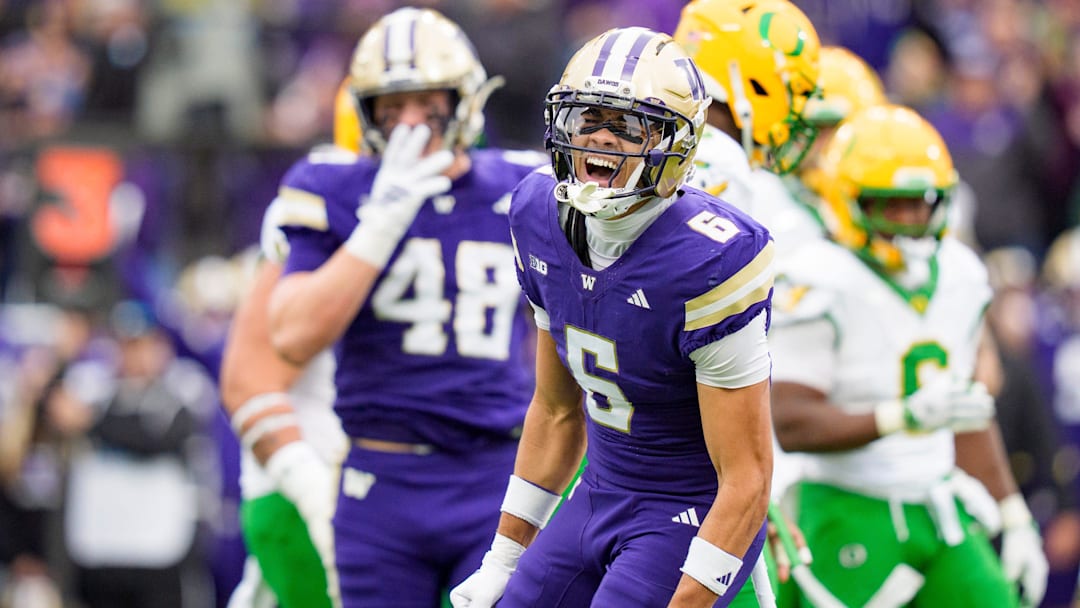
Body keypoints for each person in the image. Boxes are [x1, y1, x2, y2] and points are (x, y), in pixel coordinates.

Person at [451, 26, 775, 608]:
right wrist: (503, 558)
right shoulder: (536, 214)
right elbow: (554, 411)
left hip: (687, 510)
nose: (600, 139)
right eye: (587, 119)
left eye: (627, 126)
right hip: (598, 491)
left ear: (678, 143)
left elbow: (747, 478)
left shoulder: (712, 260)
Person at [266, 7, 544, 607]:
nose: (410, 122)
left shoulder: (523, 188)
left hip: (494, 475)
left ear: (464, 100)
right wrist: (379, 224)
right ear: (365, 113)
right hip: (381, 481)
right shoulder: (332, 188)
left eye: (427, 102)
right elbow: (290, 336)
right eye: (391, 107)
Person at [768, 104, 1049, 607]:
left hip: (937, 501)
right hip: (846, 504)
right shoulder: (818, 275)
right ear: (849, 200)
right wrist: (902, 416)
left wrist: (1014, 514)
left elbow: (966, 411)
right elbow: (790, 422)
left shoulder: (961, 274)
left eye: (921, 202)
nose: (910, 219)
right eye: (889, 204)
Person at [220, 77, 359, 608]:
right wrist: (313, 494)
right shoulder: (323, 198)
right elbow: (248, 379)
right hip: (321, 483)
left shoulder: (476, 197)